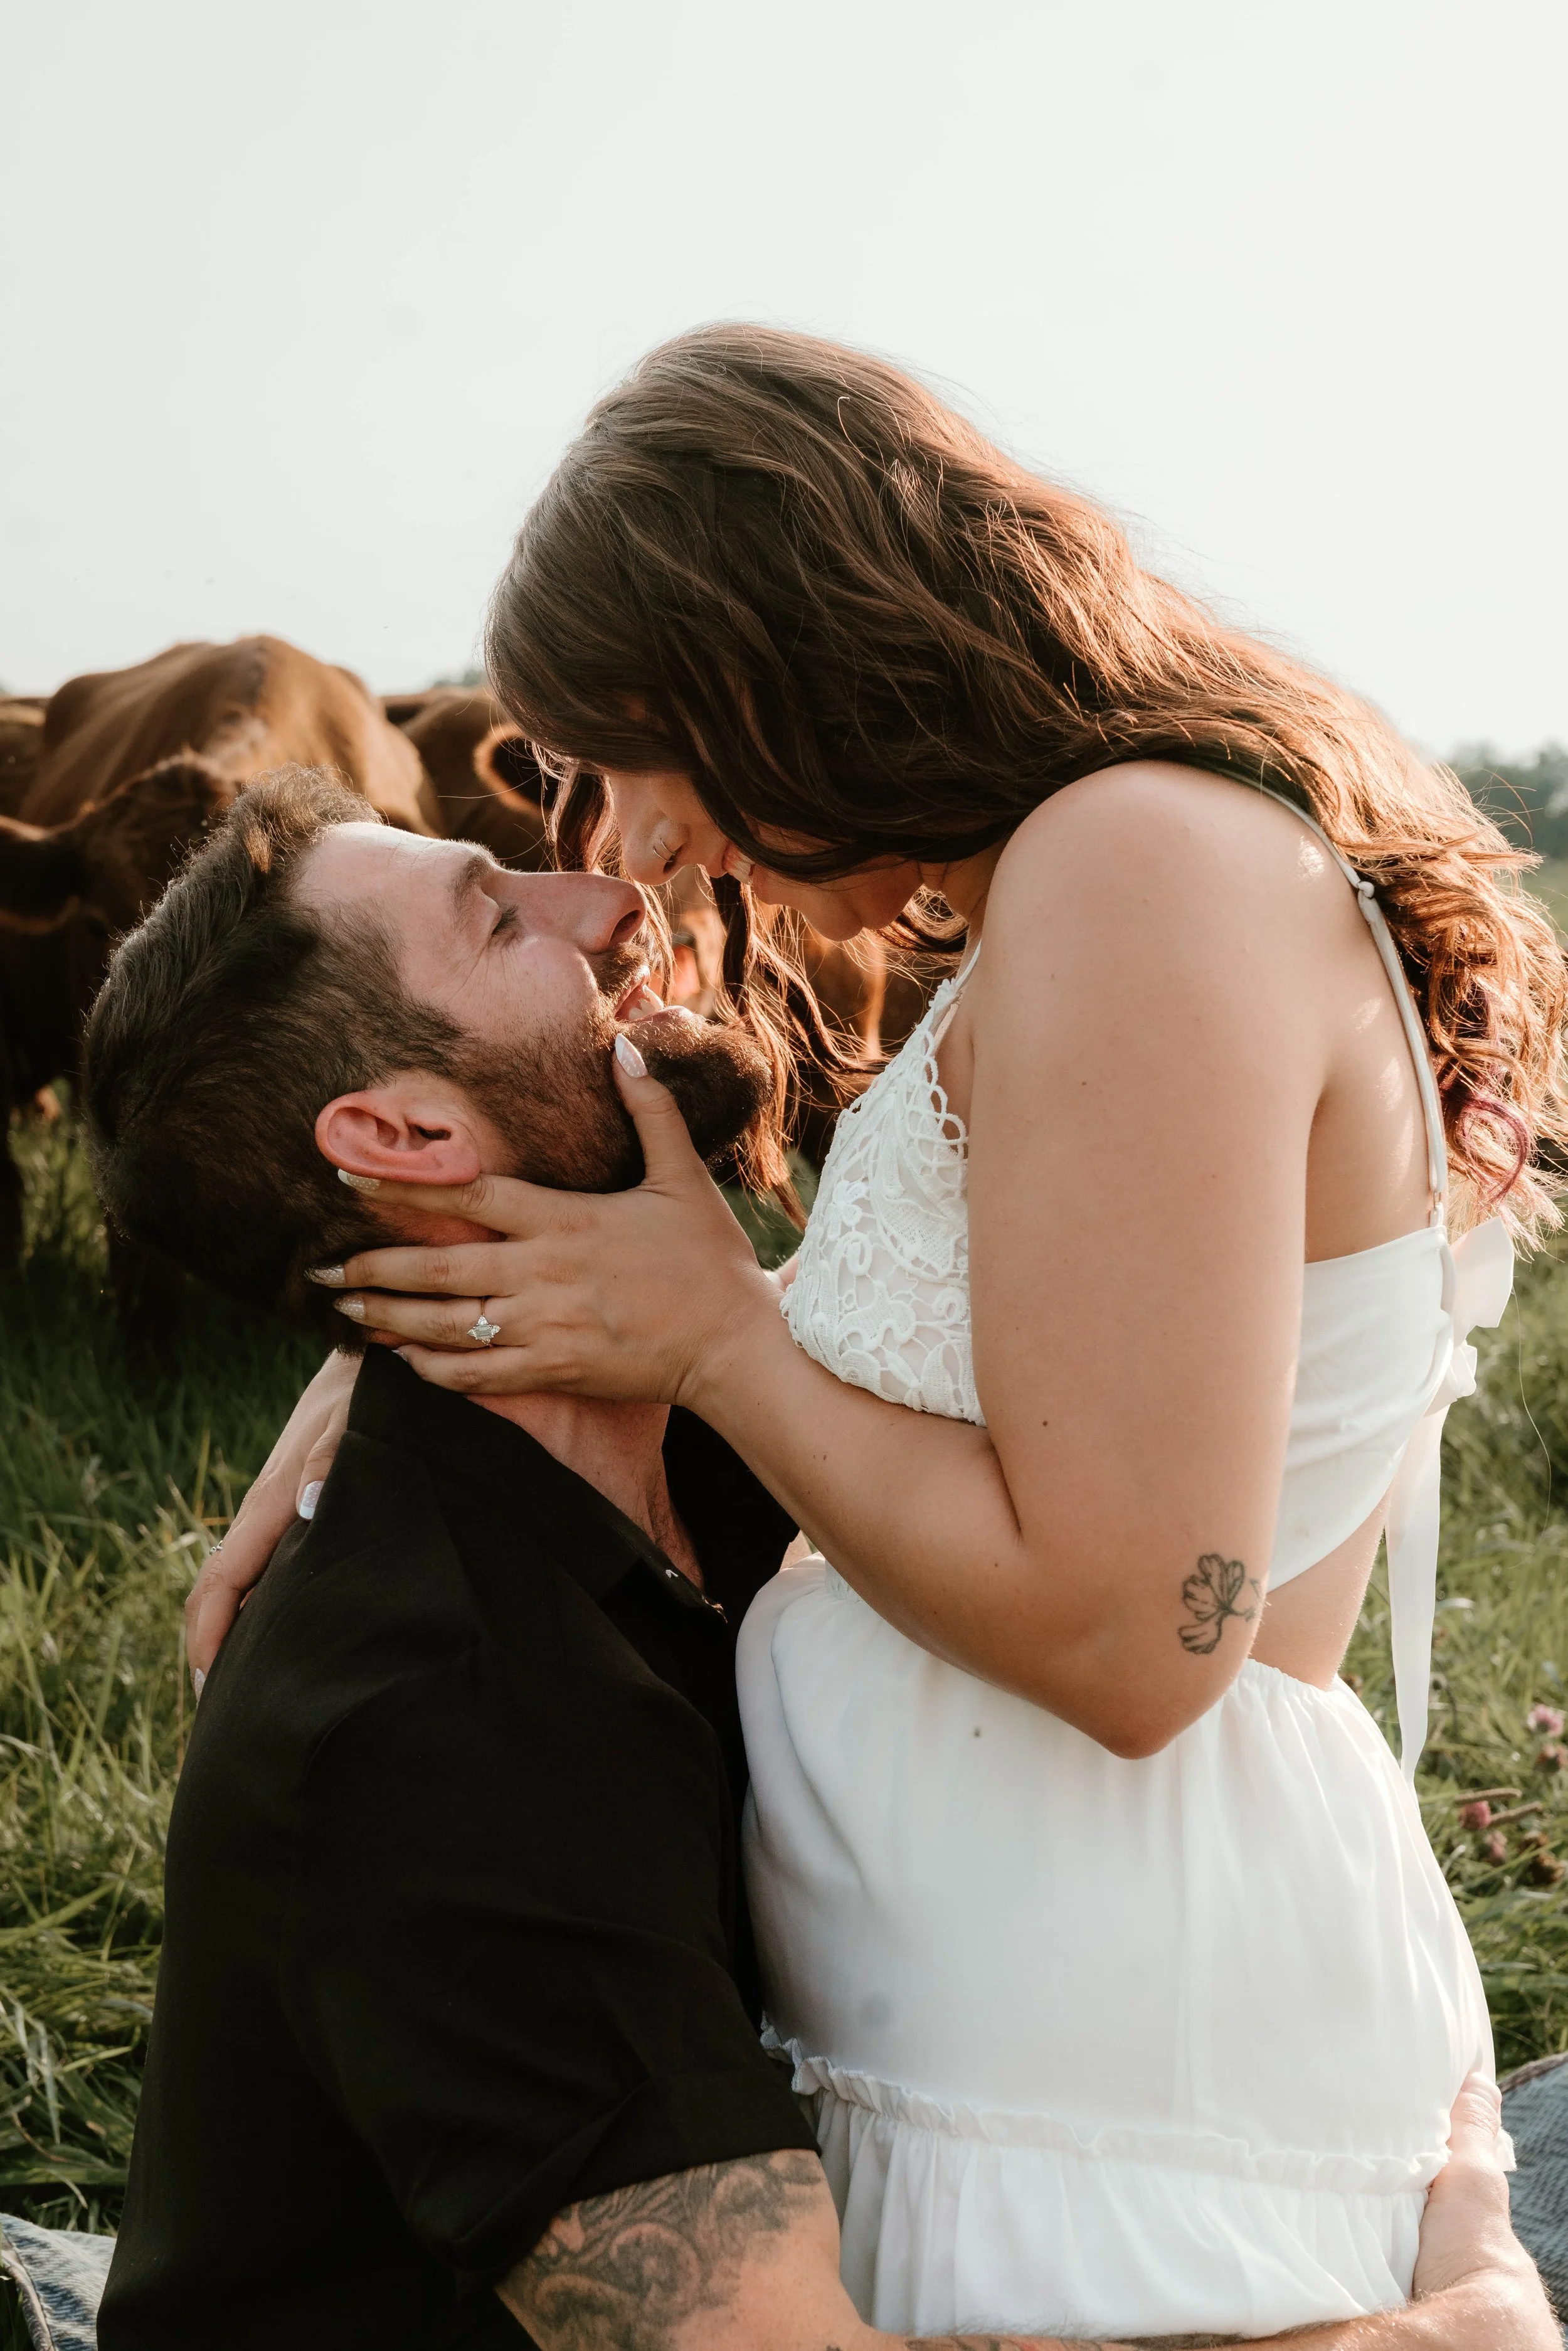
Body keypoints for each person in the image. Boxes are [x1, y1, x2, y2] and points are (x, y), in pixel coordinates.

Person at [196, 328, 1568, 2340]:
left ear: (777, 653)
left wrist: (714, 1342)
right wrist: (442, 1337)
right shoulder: (1106, 870)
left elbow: (1145, 1642)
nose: (627, 845)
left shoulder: (1136, 862)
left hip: (1093, 2053)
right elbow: (1058, 1422)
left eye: (629, 752)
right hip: (1034, 2019)